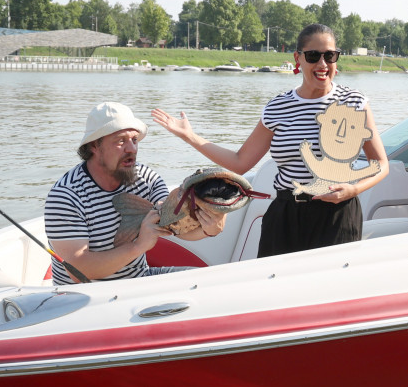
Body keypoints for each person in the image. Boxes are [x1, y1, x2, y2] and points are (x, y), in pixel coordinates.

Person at [152, 23, 389, 258]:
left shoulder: (354, 102)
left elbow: (380, 164)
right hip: (285, 215)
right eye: (313, 55)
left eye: (330, 55)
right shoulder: (278, 107)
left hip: (338, 215)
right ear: (298, 58)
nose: (323, 64)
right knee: (278, 290)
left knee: (328, 290)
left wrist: (353, 189)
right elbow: (240, 162)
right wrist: (190, 136)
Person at [44, 101, 225, 284]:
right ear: (94, 146)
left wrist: (209, 229)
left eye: (134, 140)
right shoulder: (66, 195)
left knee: (211, 282)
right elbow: (78, 271)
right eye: (121, 141)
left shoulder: (146, 178)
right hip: (81, 295)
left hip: (137, 282)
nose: (131, 149)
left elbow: (173, 225)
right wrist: (138, 246)